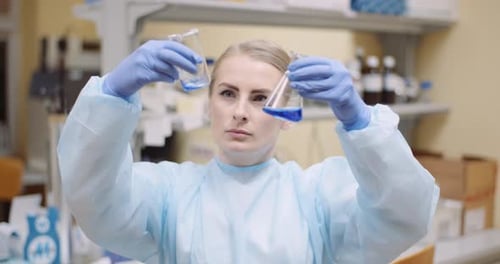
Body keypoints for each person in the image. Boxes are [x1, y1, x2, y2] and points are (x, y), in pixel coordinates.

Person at [57, 38, 439, 264]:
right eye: (227, 94)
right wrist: (112, 94)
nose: (240, 111)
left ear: (289, 115)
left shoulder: (316, 196)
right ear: (208, 105)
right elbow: (94, 200)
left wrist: (359, 122)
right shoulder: (169, 193)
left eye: (260, 98)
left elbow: (404, 217)